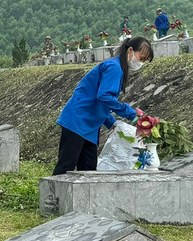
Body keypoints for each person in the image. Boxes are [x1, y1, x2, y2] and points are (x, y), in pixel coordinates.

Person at [53, 37, 153, 175]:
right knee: (66, 165)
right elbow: (104, 96)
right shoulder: (115, 68)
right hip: (78, 120)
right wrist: (130, 114)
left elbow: (101, 101)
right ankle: (53, 190)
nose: (140, 63)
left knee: (88, 169)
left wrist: (112, 123)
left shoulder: (117, 67)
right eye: (141, 58)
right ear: (130, 50)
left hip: (90, 125)